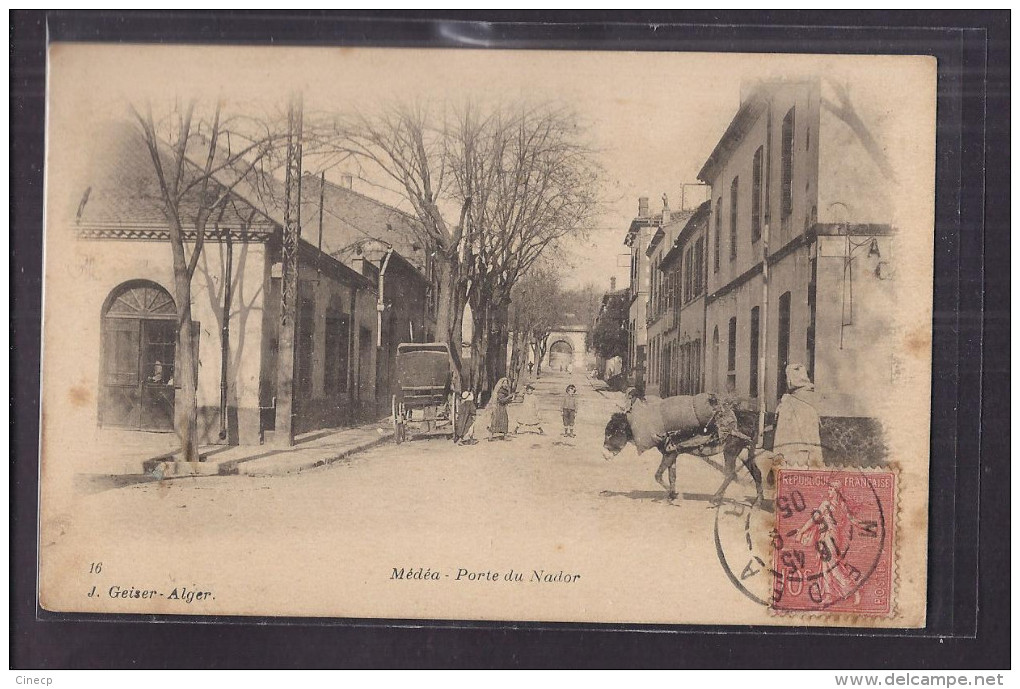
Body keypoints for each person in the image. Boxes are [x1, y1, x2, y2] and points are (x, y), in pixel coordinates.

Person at [773, 363, 823, 466]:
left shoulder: (788, 403)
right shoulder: (813, 399)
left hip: (792, 455)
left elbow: (781, 437)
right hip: (810, 455)